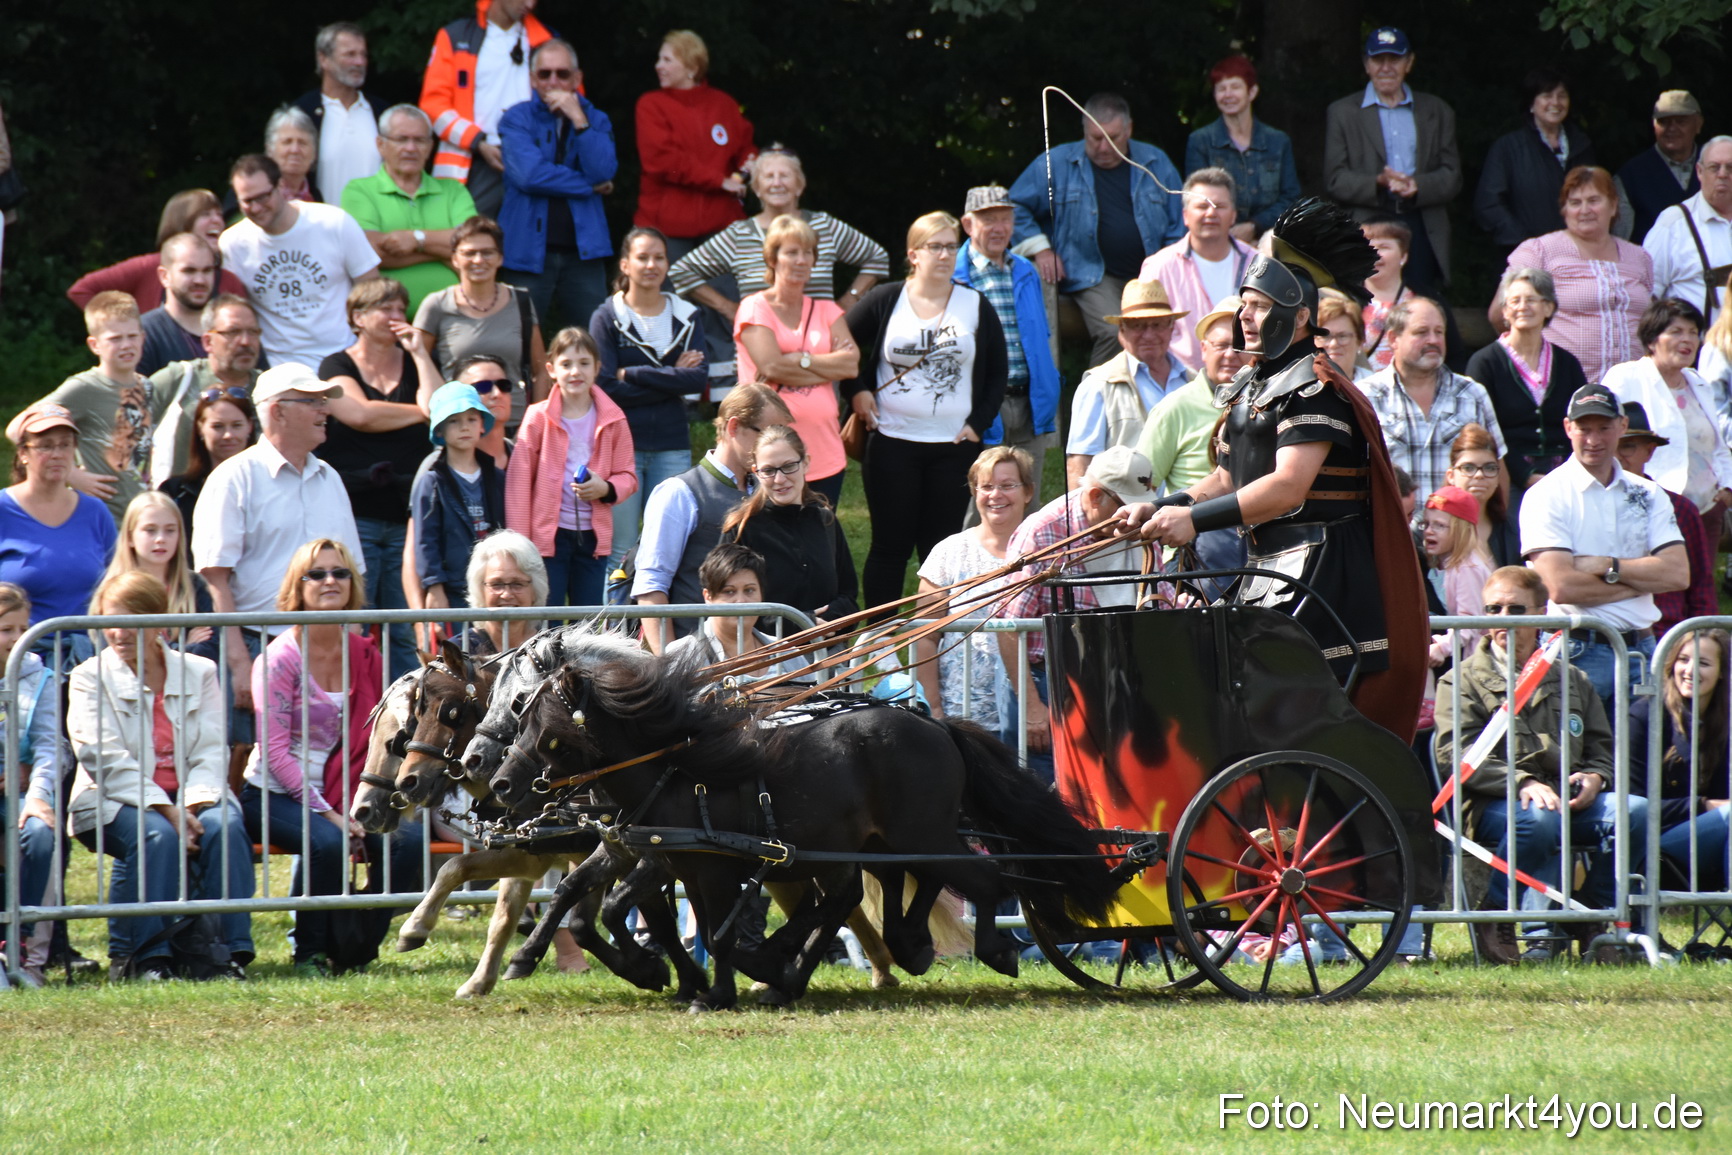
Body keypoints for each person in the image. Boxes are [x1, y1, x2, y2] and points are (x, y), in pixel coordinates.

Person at [1123, 199, 1428, 741]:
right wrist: (1163, 506)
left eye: (1260, 306)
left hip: (1324, 571)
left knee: (1277, 712)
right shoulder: (1252, 386)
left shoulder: (1315, 387)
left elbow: (1289, 486)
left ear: (1300, 315)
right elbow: (1226, 478)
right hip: (1269, 563)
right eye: (1244, 304)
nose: (1244, 316)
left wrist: (1194, 522)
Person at [1433, 565, 1647, 964]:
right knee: (1541, 817)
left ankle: (1591, 913)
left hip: (1565, 797)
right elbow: (1455, 754)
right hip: (1491, 803)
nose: (1503, 620)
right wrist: (1523, 782)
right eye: (1492, 609)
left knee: (1636, 812)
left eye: (1516, 609)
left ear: (1542, 612)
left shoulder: (1573, 678)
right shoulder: (1460, 680)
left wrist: (1596, 776)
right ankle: (1496, 913)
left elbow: (1602, 747)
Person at [239, 539, 419, 977]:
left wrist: (361, 803)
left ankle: (357, 947)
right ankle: (310, 951)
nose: (330, 581)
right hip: (276, 793)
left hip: (352, 789)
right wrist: (332, 814)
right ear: (297, 587)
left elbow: (378, 736)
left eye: (340, 573)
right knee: (328, 842)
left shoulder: (365, 652)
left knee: (408, 842)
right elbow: (275, 752)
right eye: (316, 574)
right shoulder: (278, 660)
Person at [67, 571, 253, 981]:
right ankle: (147, 958)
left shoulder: (200, 670)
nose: (118, 633)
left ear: (159, 622)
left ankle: (226, 954)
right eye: (110, 620)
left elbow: (211, 749)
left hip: (195, 795)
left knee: (225, 826)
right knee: (158, 835)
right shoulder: (87, 677)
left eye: (131, 621)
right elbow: (102, 758)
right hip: (110, 798)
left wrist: (192, 807)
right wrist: (168, 811)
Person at [841, 211, 1008, 613]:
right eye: (935, 247)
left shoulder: (975, 304)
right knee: (889, 546)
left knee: (941, 547)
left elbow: (998, 372)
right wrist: (856, 391)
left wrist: (978, 424)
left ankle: (934, 634)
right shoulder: (886, 298)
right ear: (913, 254)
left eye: (951, 246)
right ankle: (880, 637)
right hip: (891, 442)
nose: (945, 255)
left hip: (954, 447)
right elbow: (839, 339)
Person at [192, 364, 364, 737]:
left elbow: (351, 574)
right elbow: (215, 580)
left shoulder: (330, 478)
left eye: (324, 400)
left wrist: (353, 654)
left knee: (327, 763)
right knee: (249, 763)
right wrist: (240, 664)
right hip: (256, 645)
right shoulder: (233, 478)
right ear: (277, 411)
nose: (325, 409)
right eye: (312, 401)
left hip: (328, 650)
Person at [1519, 383, 1688, 712]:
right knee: (1576, 747)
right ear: (1568, 428)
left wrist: (1606, 565)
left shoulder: (1649, 493)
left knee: (1639, 747)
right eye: (1584, 428)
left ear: (1622, 426)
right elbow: (1561, 587)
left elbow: (1678, 574)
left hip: (1640, 649)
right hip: (1576, 650)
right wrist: (1640, 582)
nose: (1593, 439)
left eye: (1604, 428)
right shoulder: (1545, 494)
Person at [995, 446, 1157, 763]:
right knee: (1039, 788)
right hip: (1043, 681)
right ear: (1095, 496)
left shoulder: (1140, 527)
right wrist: (1032, 708)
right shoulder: (1043, 533)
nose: (1135, 518)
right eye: (1126, 506)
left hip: (1112, 681)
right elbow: (1007, 626)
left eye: (1142, 507)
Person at [318, 278, 441, 681]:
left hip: (407, 516)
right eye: (385, 308)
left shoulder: (416, 361)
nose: (396, 316)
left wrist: (420, 354)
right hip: (357, 515)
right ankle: (355, 704)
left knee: (404, 629)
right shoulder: (335, 365)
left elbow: (439, 408)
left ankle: (409, 707)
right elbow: (360, 415)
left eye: (400, 309)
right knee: (355, 621)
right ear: (358, 317)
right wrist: (419, 412)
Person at [1008, 93, 1185, 365]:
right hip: (1091, 274)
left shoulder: (1155, 162)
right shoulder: (1057, 162)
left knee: (1176, 332)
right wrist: (1040, 248)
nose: (1103, 147)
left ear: (1129, 129)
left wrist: (1170, 266)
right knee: (1116, 332)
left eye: (1112, 138)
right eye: (1095, 138)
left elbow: (1180, 221)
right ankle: (1095, 392)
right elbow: (1013, 206)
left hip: (1153, 275)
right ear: (1084, 131)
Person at [630, 384, 791, 652]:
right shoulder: (679, 492)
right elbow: (651, 588)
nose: (774, 445)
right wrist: (669, 665)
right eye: (766, 434)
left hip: (759, 659)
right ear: (734, 427)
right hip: (695, 660)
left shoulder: (768, 491)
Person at [591, 226, 707, 577]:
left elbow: (698, 381)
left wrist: (634, 373)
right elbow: (606, 387)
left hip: (672, 445)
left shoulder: (687, 315)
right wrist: (672, 379)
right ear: (625, 264)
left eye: (659, 257)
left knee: (671, 548)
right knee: (620, 551)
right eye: (642, 257)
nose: (651, 265)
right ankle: (612, 616)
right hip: (621, 448)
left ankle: (661, 615)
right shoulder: (606, 317)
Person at [669, 145, 888, 317]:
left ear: (799, 186)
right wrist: (727, 307)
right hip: (759, 345)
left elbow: (877, 257)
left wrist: (848, 301)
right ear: (757, 189)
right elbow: (682, 271)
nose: (777, 183)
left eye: (784, 176)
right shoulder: (739, 234)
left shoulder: (824, 226)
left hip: (819, 340)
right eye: (769, 176)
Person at [733, 214, 859, 508]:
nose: (801, 260)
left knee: (820, 531)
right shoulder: (755, 307)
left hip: (824, 452)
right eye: (791, 252)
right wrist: (827, 366)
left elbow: (850, 365)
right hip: (770, 454)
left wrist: (800, 360)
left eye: (808, 252)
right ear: (772, 258)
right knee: (772, 533)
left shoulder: (827, 310)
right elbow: (771, 366)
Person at [504, 327, 636, 606]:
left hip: (593, 538)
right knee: (546, 614)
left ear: (597, 368)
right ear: (551, 369)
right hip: (546, 538)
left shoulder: (615, 418)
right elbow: (518, 482)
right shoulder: (537, 416)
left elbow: (628, 475)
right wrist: (519, 543)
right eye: (566, 364)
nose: (575, 371)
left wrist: (606, 488)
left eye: (584, 363)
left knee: (586, 617)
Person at [914, 446, 1033, 746]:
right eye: (986, 486)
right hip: (963, 718)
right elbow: (924, 636)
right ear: (974, 492)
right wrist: (934, 710)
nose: (996, 495)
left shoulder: (1045, 549)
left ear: (1028, 492)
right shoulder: (948, 552)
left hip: (1032, 717)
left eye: (1007, 485)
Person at [1324, 26, 1461, 288]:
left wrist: (1417, 185)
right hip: (1367, 221)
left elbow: (1452, 177)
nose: (1386, 68)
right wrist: (1378, 182)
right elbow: (1335, 179)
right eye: (1378, 59)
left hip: (1420, 220)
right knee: (1366, 301)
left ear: (1409, 63)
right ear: (1366, 64)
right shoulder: (1342, 112)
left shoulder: (1437, 110)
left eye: (1394, 59)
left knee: (1421, 299)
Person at [499, 39, 618, 334]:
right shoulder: (515, 118)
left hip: (584, 254)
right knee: (519, 339)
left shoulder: (596, 119)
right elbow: (530, 176)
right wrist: (590, 186)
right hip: (526, 253)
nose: (553, 81)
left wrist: (579, 119)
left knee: (594, 340)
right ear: (532, 79)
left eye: (562, 74)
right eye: (545, 74)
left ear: (577, 78)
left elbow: (603, 170)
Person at [222, 154, 380, 371]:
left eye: (263, 197)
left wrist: (366, 353)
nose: (256, 208)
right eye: (248, 201)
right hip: (278, 366)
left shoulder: (333, 222)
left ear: (281, 186)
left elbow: (372, 291)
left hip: (344, 356)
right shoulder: (232, 243)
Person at [1500, 166, 1654, 384]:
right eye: (1574, 203)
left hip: (1634, 388)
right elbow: (1501, 313)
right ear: (1564, 210)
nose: (1584, 210)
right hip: (1563, 386)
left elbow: (1652, 321)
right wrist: (1531, 365)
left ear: (1613, 205)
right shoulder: (1539, 251)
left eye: (1593, 200)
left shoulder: (1639, 257)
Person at [1604, 299, 1732, 551]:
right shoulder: (1626, 377)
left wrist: (1727, 489)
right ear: (1652, 340)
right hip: (1650, 508)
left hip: (1706, 509)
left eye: (1693, 332)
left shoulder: (1698, 383)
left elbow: (1716, 445)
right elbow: (1605, 437)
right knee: (1658, 574)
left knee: (1700, 577)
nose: (1687, 340)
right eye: (1676, 332)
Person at [954, 185, 1059, 487]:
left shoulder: (1025, 269)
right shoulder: (955, 276)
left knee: (1027, 497)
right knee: (982, 498)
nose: (999, 228)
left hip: (1030, 401)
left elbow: (1040, 336)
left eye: (1005, 219)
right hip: (981, 404)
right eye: (989, 220)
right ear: (968, 225)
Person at [1138, 297, 1251, 579]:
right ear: (1203, 349)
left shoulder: (1271, 405)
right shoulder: (1174, 408)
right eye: (1221, 345)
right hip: (1193, 553)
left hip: (1260, 543)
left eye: (1239, 346)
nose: (1230, 355)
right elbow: (1143, 484)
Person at [1359, 296, 1505, 510]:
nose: (1433, 340)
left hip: (1458, 529)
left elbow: (1497, 469)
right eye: (1421, 332)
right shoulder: (1365, 397)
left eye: (1439, 332)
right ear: (1393, 339)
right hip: (1392, 527)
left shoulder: (1472, 394)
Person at [0, 404, 117, 665]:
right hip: (18, 661)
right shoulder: (3, 510)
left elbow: (118, 583)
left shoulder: (95, 512)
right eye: (45, 446)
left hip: (90, 660)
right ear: (23, 453)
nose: (57, 454)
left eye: (65, 445)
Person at [420, 0, 555, 220]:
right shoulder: (455, 36)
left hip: (531, 163)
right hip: (470, 164)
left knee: (527, 238)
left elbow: (570, 104)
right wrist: (477, 141)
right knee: (464, 235)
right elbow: (433, 105)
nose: (530, 4)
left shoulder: (548, 42)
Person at [341, 104, 477, 317]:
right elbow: (369, 253)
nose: (411, 148)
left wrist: (415, 240)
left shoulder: (453, 190)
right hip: (390, 323)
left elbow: (474, 245)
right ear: (381, 144)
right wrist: (446, 253)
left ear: (430, 146)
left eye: (419, 140)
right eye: (401, 139)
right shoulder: (359, 190)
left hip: (455, 320)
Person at [414, 216, 547, 431]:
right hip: (459, 428)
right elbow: (416, 367)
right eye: (469, 253)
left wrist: (537, 423)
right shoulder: (436, 304)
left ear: (500, 258)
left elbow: (540, 370)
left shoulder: (521, 301)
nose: (478, 260)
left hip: (516, 427)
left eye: (487, 252)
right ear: (455, 259)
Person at [633, 29, 756, 261]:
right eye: (659, 59)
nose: (658, 66)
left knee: (729, 286)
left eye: (667, 60)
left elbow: (746, 148)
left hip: (721, 224)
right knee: (666, 286)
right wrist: (719, 181)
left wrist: (744, 172)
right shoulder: (651, 105)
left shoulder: (724, 104)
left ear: (692, 67)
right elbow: (663, 162)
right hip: (667, 228)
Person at [45, 290, 168, 520]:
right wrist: (70, 474)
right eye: (115, 339)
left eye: (132, 336)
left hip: (139, 518)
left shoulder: (146, 386)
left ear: (143, 337)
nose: (126, 345)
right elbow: (19, 428)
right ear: (94, 345)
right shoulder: (84, 387)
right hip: (100, 518)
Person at [720, 425, 856, 627]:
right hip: (769, 646)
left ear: (806, 463)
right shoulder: (742, 528)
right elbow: (728, 607)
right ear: (756, 472)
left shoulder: (825, 520)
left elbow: (849, 594)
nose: (780, 479)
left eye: (789, 466)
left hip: (829, 643)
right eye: (768, 470)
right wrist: (801, 624)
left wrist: (829, 622)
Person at [1627, 629, 1732, 890]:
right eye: (1683, 660)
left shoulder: (1726, 720)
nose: (1690, 670)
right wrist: (1704, 805)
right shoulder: (1644, 715)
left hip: (1715, 839)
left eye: (1703, 663)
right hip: (1656, 844)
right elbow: (1632, 805)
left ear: (1721, 672)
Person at [1465, 267, 1587, 491]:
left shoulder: (1567, 363)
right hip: (1506, 474)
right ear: (1504, 311)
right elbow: (1482, 432)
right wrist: (1525, 476)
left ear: (1548, 307)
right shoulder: (1484, 363)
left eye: (1531, 300)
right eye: (1515, 301)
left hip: (1566, 474)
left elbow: (1583, 421)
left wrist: (1567, 472)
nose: (1522, 307)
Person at [1065, 279, 1189, 489]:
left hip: (1191, 507)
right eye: (1137, 325)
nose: (1148, 335)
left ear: (1171, 327)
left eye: (1157, 324)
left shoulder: (1192, 381)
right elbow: (1079, 464)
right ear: (1121, 331)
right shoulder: (1098, 385)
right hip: (1125, 508)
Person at [1, 583, 62, 987]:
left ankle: (17, 940)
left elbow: (49, 745)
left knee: (39, 834)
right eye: (6, 629)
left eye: (23, 629)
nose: (16, 638)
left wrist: (38, 795)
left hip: (20, 791)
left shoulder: (40, 677)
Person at [1137, 170, 1257, 370]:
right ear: (1185, 215)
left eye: (1219, 206)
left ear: (1233, 215)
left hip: (1250, 380)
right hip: (1180, 382)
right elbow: (1142, 332)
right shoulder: (1159, 267)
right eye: (1202, 206)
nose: (1210, 213)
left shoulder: (1259, 264)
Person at [1616, 402, 1716, 638]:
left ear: (1649, 451)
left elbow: (1701, 588)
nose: (1616, 456)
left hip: (1669, 636)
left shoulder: (1681, 510)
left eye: (1627, 446)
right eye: (1611, 446)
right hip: (1602, 635)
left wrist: (1700, 642)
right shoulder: (1581, 505)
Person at [1474, 67, 1597, 251]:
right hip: (1524, 254)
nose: (1555, 102)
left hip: (1579, 251)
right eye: (1547, 95)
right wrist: (1526, 243)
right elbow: (1489, 204)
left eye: (1562, 96)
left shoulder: (1582, 145)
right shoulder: (1508, 148)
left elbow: (1598, 197)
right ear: (1531, 103)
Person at [146, 295, 263, 488]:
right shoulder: (178, 380)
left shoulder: (269, 388)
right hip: (182, 499)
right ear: (208, 341)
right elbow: (121, 432)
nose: (245, 341)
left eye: (253, 332)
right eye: (233, 332)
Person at [66, 189, 245, 311]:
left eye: (219, 214)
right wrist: (120, 328)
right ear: (182, 222)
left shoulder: (229, 280)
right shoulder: (148, 266)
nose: (218, 221)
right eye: (206, 214)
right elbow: (82, 290)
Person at [1184, 55, 1300, 240]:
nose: (1228, 94)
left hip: (1272, 238)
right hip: (1219, 238)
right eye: (1221, 89)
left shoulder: (1278, 141)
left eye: (1235, 87)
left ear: (1252, 92)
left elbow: (1291, 198)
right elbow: (1197, 197)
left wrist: (1255, 226)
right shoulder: (1200, 141)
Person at [412, 383, 504, 612]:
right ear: (439, 430)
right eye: (453, 420)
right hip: (453, 589)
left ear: (482, 425)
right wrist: (434, 586)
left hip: (493, 584)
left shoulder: (498, 477)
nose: (464, 427)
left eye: (472, 419)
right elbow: (425, 541)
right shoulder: (431, 482)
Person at [103, 491, 216, 660]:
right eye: (150, 530)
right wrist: (184, 648)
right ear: (130, 537)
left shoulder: (194, 585)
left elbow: (210, 648)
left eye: (170, 530)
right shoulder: (114, 589)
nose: (161, 539)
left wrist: (167, 651)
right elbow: (122, 652)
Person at [1644, 135, 1732, 325]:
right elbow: (1646, 294)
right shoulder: (1673, 223)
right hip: (1695, 343)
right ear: (1699, 172)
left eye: (1730, 167)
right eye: (1714, 167)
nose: (1723, 174)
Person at [664, 543, 793, 670]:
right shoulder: (681, 656)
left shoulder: (787, 652)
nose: (741, 601)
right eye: (729, 591)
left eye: (749, 590)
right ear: (708, 597)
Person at [294, 22, 377, 205]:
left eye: (363, 55)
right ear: (323, 59)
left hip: (376, 223)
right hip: (319, 221)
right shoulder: (302, 114)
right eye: (350, 54)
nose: (360, 62)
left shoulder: (381, 112)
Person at [158, 386, 259, 532]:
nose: (228, 435)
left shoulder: (270, 487)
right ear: (200, 428)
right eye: (218, 426)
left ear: (249, 427)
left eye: (236, 425)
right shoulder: (176, 492)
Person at [1615, 90, 1703, 244]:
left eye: (1681, 121)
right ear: (1654, 125)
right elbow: (1620, 242)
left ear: (1698, 124)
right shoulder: (1630, 176)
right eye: (1664, 122)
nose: (1672, 128)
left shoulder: (1717, 166)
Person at [1421, 485, 1494, 668]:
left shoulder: (1468, 568)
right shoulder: (1444, 563)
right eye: (1426, 524)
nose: (1429, 531)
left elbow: (1468, 623)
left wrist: (1442, 648)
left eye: (1439, 525)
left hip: (1476, 660)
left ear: (1461, 531)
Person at [137, 234, 219, 378]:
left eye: (207, 270)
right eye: (189, 271)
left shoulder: (232, 328)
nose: (200, 280)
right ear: (164, 276)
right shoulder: (143, 333)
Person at [456, 529, 547, 656]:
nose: (506, 595)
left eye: (517, 584)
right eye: (496, 584)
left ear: (535, 590)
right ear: (480, 590)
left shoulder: (551, 648)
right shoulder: (458, 650)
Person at [1445, 424, 1521, 568]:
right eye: (1468, 468)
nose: (1479, 475)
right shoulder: (1428, 527)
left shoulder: (1513, 531)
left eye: (1489, 468)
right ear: (1451, 476)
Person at [1314, 287, 1371, 380]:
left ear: (1360, 341)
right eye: (1325, 336)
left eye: (1342, 336)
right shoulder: (1299, 385)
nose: (1333, 344)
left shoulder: (1377, 386)